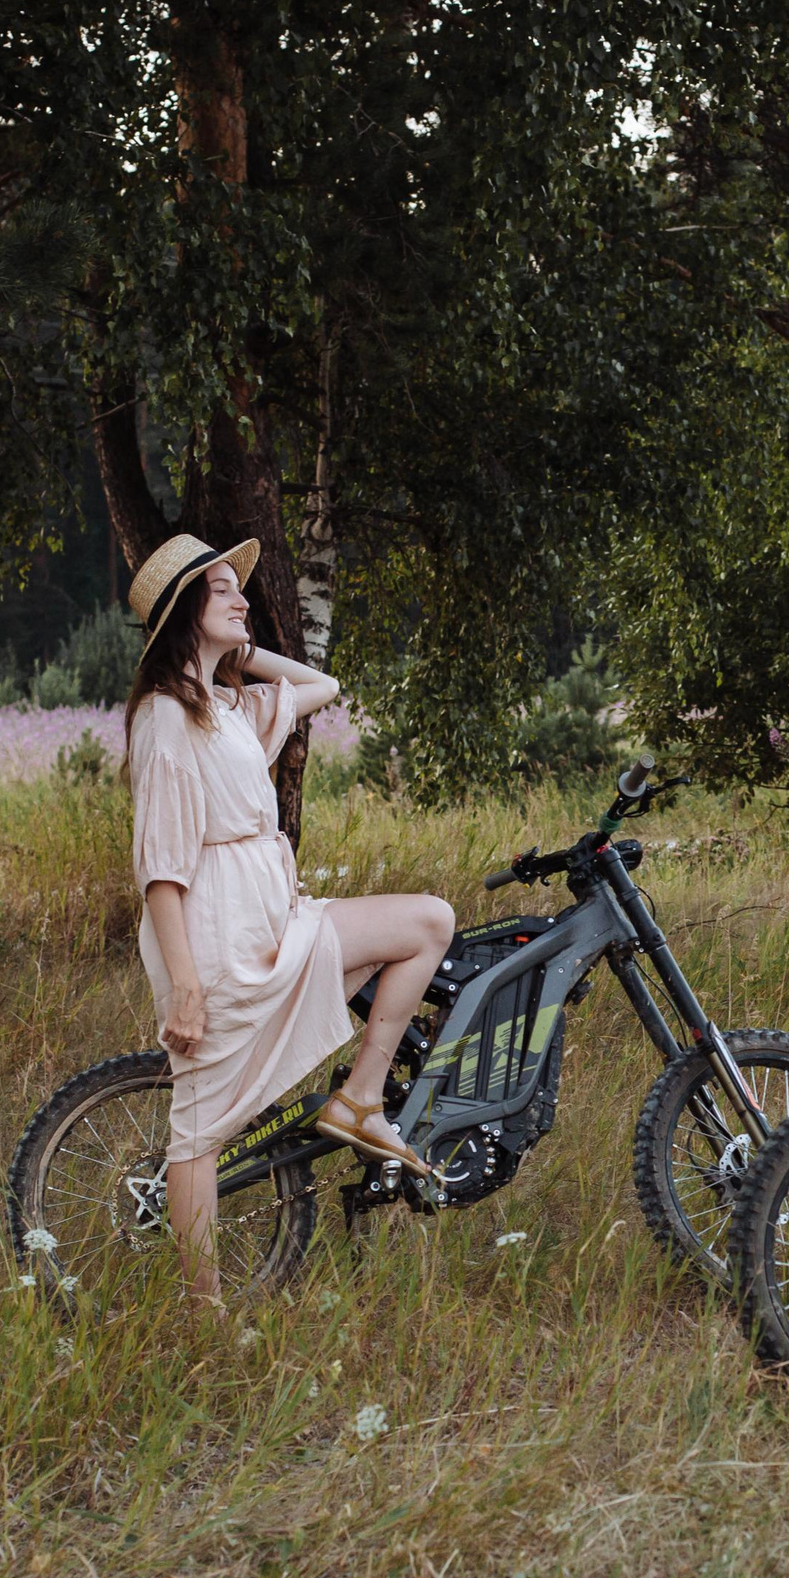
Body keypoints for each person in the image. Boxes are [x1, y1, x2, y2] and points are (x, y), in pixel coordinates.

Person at [122, 533, 456, 1302]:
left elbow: (323, 682)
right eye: (221, 591)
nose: (244, 599)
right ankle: (202, 1310)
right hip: (220, 939)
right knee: (199, 1132)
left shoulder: (226, 707)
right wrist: (184, 987)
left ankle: (360, 1098)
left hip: (271, 920)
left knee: (426, 924)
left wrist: (239, 654)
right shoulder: (169, 721)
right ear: (182, 613)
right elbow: (162, 870)